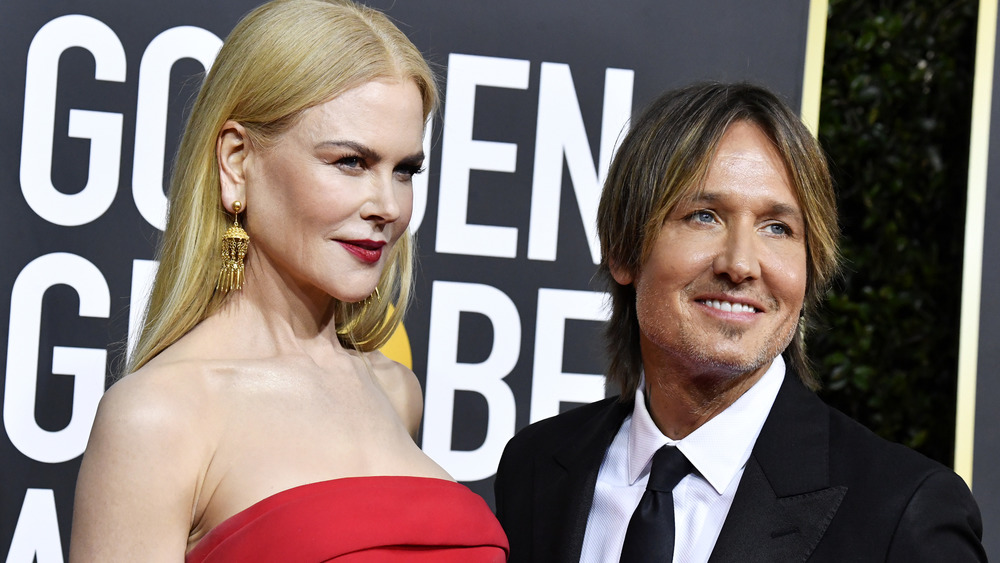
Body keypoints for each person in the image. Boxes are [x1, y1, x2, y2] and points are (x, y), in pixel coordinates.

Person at [70, 1, 508, 560]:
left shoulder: (396, 393)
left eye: (405, 170)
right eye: (350, 161)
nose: (388, 205)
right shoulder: (158, 418)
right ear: (235, 160)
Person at [493, 82, 985, 562]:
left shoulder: (901, 514)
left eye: (778, 228)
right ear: (623, 250)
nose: (741, 263)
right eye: (704, 216)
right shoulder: (537, 468)